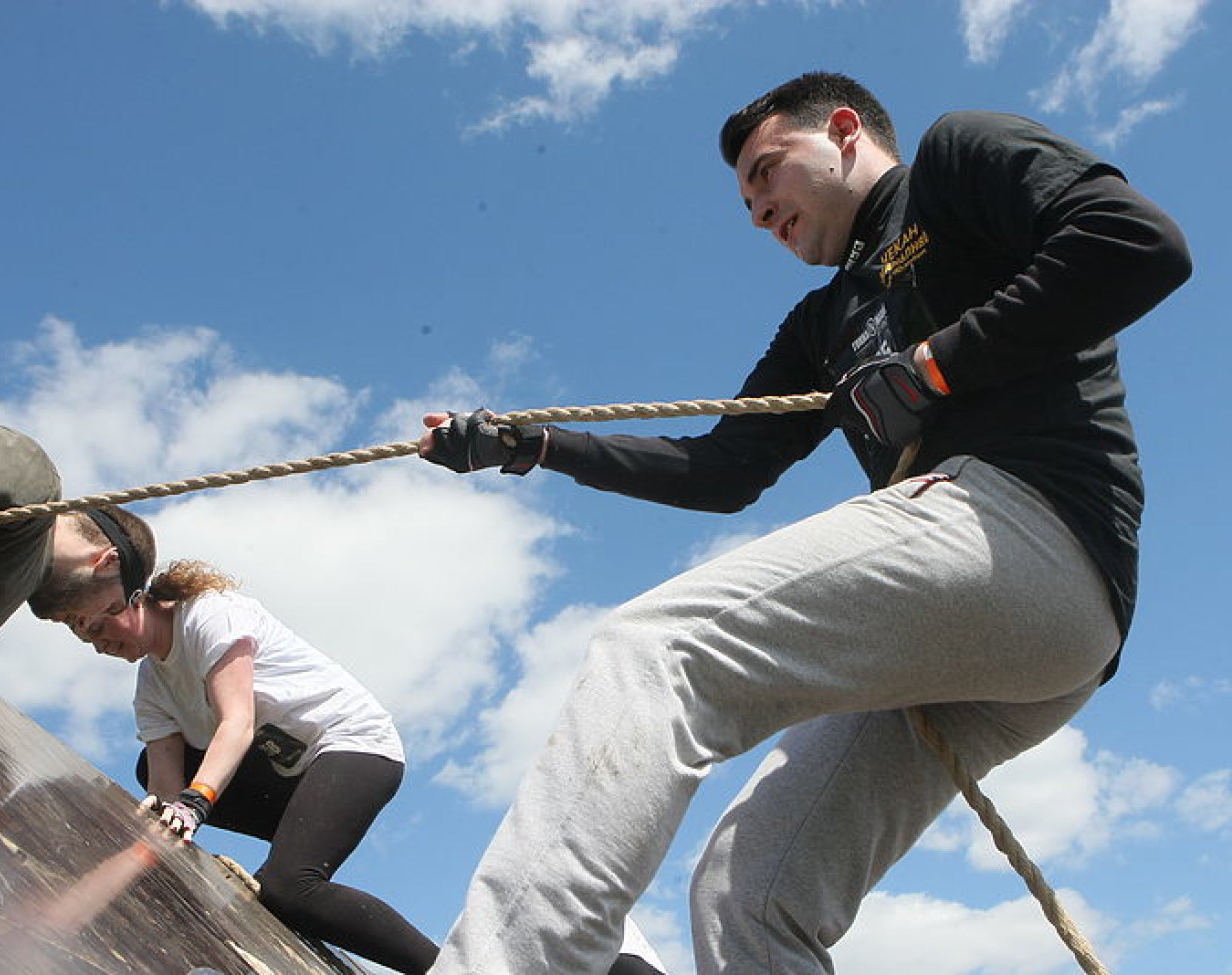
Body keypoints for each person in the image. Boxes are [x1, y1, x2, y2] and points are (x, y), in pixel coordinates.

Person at [416, 71, 1192, 973]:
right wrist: (531, 446)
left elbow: (1139, 241)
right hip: (992, 637)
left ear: (846, 132)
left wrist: (935, 369)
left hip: (1031, 532)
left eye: (767, 172)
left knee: (658, 649)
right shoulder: (823, 322)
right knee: (750, 893)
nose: (756, 213)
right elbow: (720, 471)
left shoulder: (955, 156)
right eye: (745, 201)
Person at [68, 558, 440, 975]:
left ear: (131, 601)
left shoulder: (209, 615)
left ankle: (449, 969)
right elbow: (164, 793)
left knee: (288, 888)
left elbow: (237, 722)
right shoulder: (152, 686)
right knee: (148, 778)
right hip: (287, 779)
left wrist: (196, 803)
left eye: (99, 628)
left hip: (353, 745)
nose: (98, 645)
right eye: (84, 637)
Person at [0, 402, 154, 695]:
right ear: (108, 561)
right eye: (112, 607)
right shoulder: (36, 491)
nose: (88, 634)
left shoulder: (15, 584)